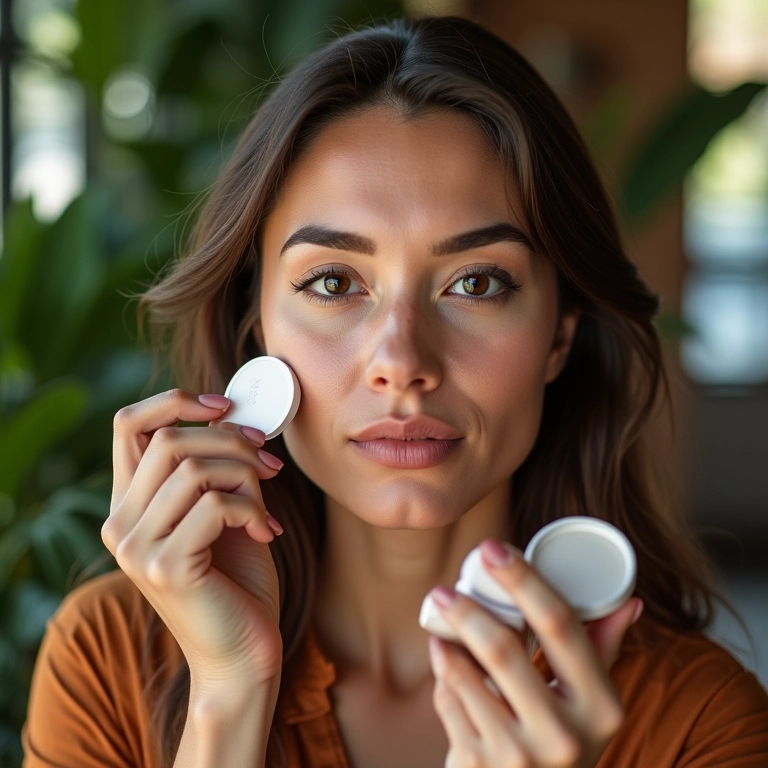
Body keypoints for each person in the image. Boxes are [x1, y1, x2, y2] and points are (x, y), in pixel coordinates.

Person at [21, 13, 768, 768]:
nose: (401, 362)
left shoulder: (701, 726)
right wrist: (228, 691)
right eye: (333, 282)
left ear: (559, 335)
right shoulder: (106, 662)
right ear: (258, 328)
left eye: (476, 284)